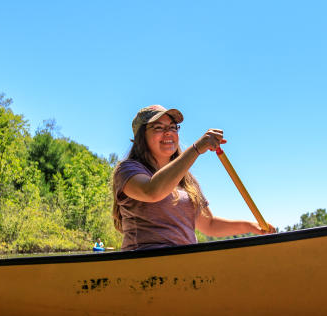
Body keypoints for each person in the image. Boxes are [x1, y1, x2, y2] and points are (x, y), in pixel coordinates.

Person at [112, 105, 274, 251]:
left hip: (186, 262)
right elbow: (152, 191)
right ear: (141, 136)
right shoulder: (127, 170)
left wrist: (250, 226)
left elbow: (209, 224)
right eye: (158, 127)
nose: (169, 132)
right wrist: (196, 149)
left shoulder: (186, 179)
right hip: (145, 262)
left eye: (173, 127)